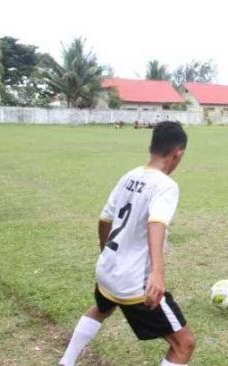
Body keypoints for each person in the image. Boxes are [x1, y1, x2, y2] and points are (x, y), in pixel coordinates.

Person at [59, 121, 195, 366]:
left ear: (151, 146)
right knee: (183, 344)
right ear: (178, 152)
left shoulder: (129, 176)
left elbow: (104, 219)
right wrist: (156, 273)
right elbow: (157, 224)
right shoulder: (166, 185)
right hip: (134, 283)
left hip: (107, 270)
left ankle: (66, 362)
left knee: (101, 308)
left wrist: (105, 252)